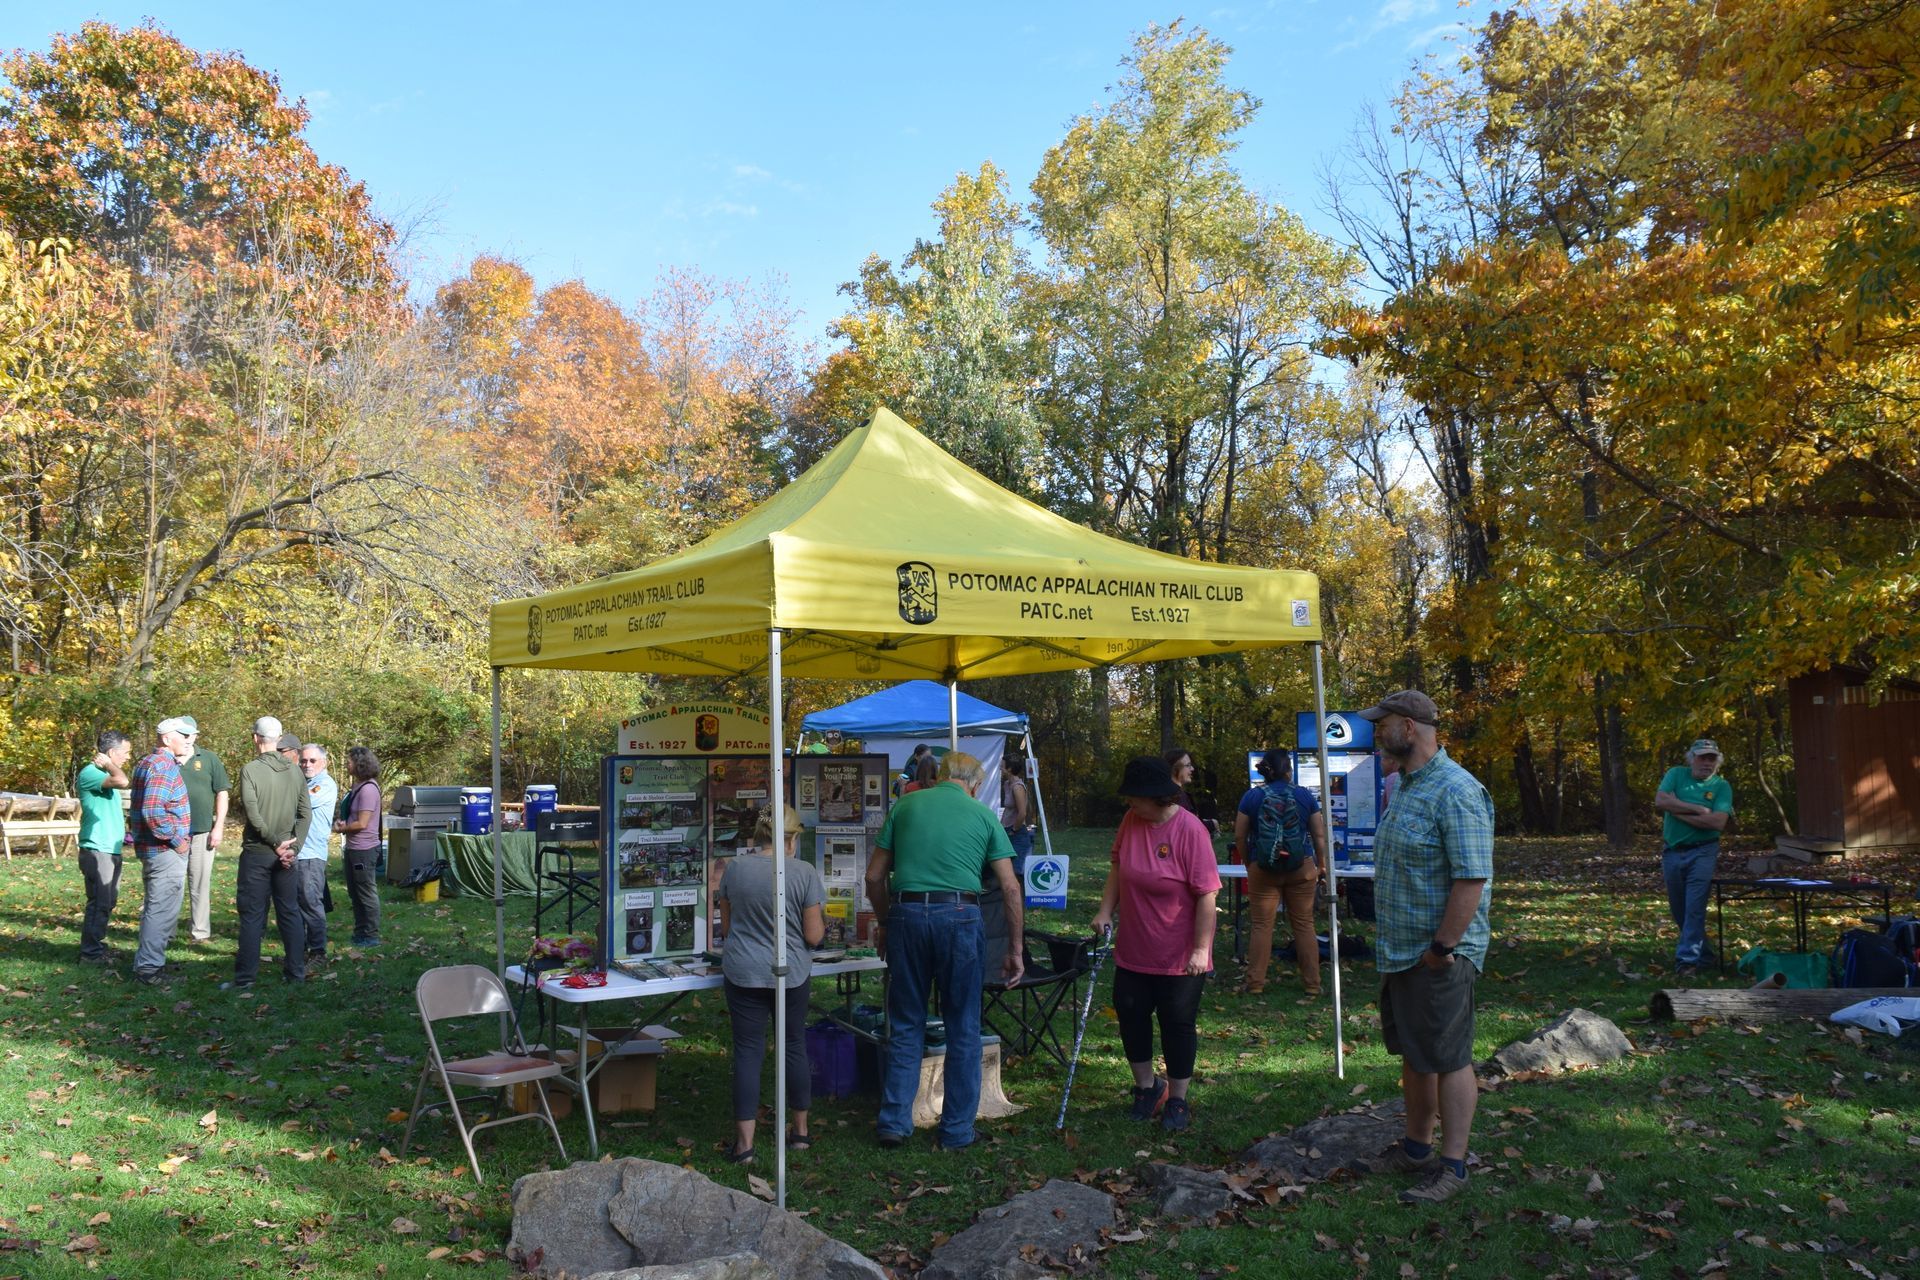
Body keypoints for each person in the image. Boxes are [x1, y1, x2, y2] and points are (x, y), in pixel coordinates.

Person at [1360, 689, 1493, 1206]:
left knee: (1450, 1057)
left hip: (1438, 954)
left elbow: (1471, 880)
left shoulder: (1457, 791)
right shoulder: (1406, 786)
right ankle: (1416, 1148)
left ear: (1410, 727)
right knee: (1417, 1055)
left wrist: (1443, 948)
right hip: (1403, 951)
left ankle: (1454, 1166)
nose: (1375, 732)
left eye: (1382, 722)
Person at [865, 750, 1024, 1151]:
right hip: (960, 914)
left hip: (907, 913)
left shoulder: (906, 804)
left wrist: (885, 923)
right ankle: (955, 1131)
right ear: (976, 784)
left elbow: (874, 877)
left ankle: (894, 1123)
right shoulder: (984, 815)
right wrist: (1016, 949)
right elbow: (1009, 887)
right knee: (963, 1026)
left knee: (905, 1021)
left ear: (938, 777)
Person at [1091, 756, 1220, 1133]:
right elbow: (1117, 867)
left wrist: (1200, 950)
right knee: (1130, 1013)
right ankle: (1147, 1088)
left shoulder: (1190, 830)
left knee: (1177, 1021)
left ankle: (1178, 1099)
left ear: (1155, 797)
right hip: (1135, 945)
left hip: (1179, 952)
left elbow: (1207, 894)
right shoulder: (1132, 821)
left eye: (1134, 798)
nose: (1128, 805)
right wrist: (1104, 911)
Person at [714, 807, 826, 1163]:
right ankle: (801, 1133)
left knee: (747, 1051)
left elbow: (728, 929)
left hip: (743, 970)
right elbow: (813, 935)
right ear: (791, 839)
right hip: (790, 971)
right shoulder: (804, 873)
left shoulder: (735, 868)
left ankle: (745, 1145)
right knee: (793, 1044)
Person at [1232, 748, 1329, 996]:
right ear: (1289, 770)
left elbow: (1240, 835)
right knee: (1305, 925)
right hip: (1301, 867)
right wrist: (1321, 863)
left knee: (1262, 925)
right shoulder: (1304, 795)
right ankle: (1313, 984)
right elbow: (1319, 834)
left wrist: (1248, 862)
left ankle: (1255, 983)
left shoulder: (1251, 797)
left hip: (1262, 868)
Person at [229, 716, 310, 990]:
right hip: (286, 853)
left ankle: (245, 979)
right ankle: (296, 972)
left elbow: (253, 814)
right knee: (289, 911)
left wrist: (277, 843)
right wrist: (292, 847)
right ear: (279, 740)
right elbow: (305, 814)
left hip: (258, 853)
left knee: (252, 915)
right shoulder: (295, 771)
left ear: (255, 738)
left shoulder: (250, 770)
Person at [1653, 739, 1733, 978]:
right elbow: (1660, 801)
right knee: (1679, 908)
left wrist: (1676, 810)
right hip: (1673, 850)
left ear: (1717, 762)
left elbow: (1718, 823)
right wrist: (1698, 810)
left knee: (1695, 906)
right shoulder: (1676, 774)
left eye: (1712, 758)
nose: (1706, 763)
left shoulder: (1721, 786)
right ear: (1692, 758)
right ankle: (1705, 955)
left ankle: (1686, 962)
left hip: (1704, 851)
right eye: (1702, 757)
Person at [130, 720, 195, 985]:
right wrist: (177, 839)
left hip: (153, 849)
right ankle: (149, 969)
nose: (190, 740)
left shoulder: (147, 762)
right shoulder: (163, 766)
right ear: (168, 739)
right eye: (185, 736)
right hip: (164, 850)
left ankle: (150, 961)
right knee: (161, 909)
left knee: (156, 907)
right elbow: (153, 811)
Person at [169, 715, 230, 946]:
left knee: (200, 884)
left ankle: (200, 933)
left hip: (203, 831)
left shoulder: (209, 759)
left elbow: (222, 792)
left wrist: (219, 826)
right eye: (181, 734)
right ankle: (167, 932)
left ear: (195, 736)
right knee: (171, 883)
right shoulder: (166, 759)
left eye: (189, 734)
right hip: (172, 833)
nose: (185, 739)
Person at [75, 731, 133, 964]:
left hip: (110, 848)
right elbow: (122, 781)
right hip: (97, 848)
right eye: (126, 752)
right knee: (99, 902)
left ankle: (96, 946)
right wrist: (110, 765)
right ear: (111, 753)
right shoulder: (91, 772)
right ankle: (90, 955)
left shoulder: (102, 773)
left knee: (107, 901)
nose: (128, 757)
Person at [333, 745, 383, 947]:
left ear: (360, 763)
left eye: (350, 760)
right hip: (354, 848)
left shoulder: (369, 789)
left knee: (365, 892)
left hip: (364, 849)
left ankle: (371, 935)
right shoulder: (357, 786)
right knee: (354, 892)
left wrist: (341, 829)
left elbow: (362, 823)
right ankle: (360, 931)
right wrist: (341, 823)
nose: (347, 764)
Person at [294, 743, 338, 967]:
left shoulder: (324, 785)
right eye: (303, 760)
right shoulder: (304, 783)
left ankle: (318, 953)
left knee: (311, 903)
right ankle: (299, 951)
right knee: (296, 904)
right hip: (295, 852)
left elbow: (298, 806)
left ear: (324, 762)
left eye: (312, 761)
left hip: (310, 854)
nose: (307, 764)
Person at [998, 749, 1034, 874]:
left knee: (1017, 872)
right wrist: (1000, 828)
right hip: (1006, 831)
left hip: (1017, 834)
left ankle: (1020, 893)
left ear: (1009, 769)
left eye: (1002, 766)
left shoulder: (1018, 787)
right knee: (1004, 871)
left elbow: (1022, 813)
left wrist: (1013, 830)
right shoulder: (1007, 784)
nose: (1000, 768)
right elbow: (1007, 810)